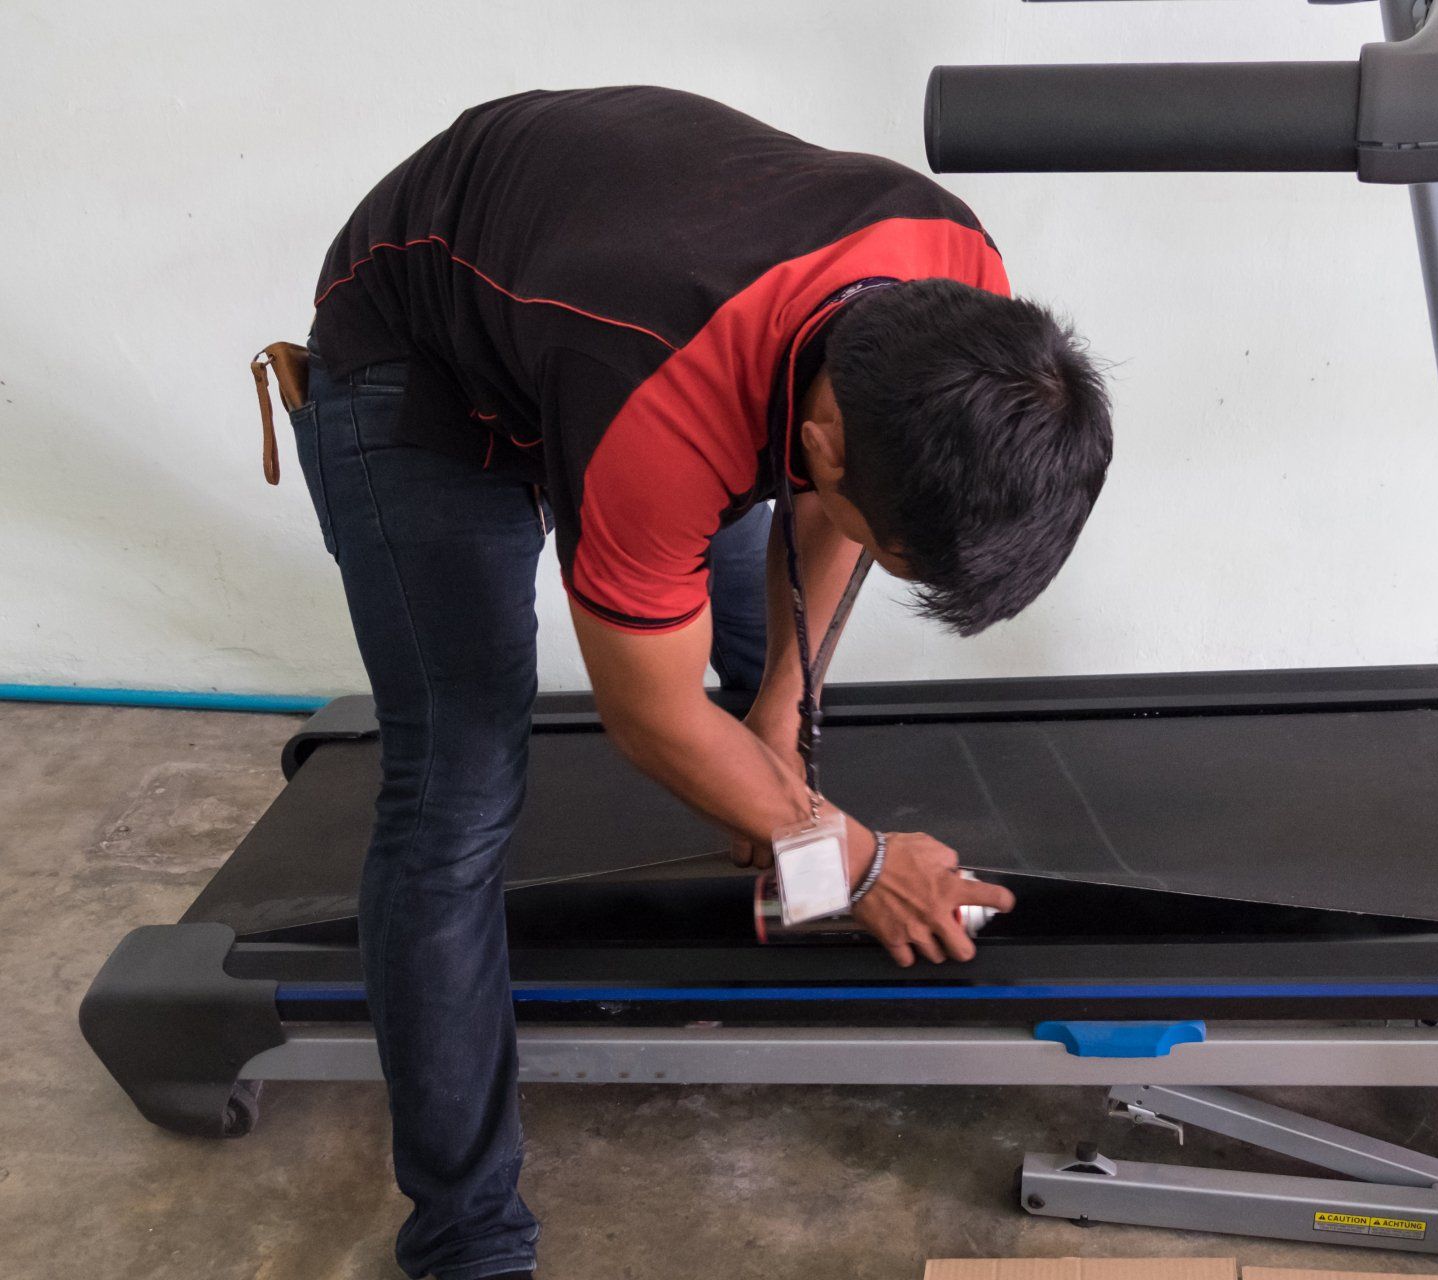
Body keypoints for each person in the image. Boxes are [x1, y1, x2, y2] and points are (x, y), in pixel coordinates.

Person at [290, 87, 1113, 1280]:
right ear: (821, 442)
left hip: (637, 320)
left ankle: (779, 829)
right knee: (454, 793)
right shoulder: (661, 409)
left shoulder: (962, 286)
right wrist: (860, 859)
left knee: (761, 680)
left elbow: (833, 516)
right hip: (419, 358)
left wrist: (782, 712)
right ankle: (466, 1236)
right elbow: (649, 714)